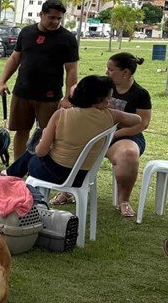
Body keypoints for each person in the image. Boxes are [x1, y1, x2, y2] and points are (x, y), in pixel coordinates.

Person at [6, 75, 141, 206]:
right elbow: (137, 119)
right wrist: (111, 111)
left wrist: (41, 142)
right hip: (83, 176)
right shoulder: (110, 116)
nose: (109, 102)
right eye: (108, 99)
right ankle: (9, 174)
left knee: (32, 152)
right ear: (99, 100)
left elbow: (41, 152)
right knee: (33, 154)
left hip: (55, 173)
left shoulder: (61, 114)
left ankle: (9, 176)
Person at [54, 53, 152, 216]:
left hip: (125, 136)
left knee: (128, 154)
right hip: (96, 133)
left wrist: (115, 134)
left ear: (125, 73)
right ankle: (68, 191)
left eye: (111, 69)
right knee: (74, 146)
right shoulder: (101, 87)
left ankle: (124, 201)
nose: (107, 73)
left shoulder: (140, 94)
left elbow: (142, 123)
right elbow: (78, 95)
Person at [0, 0, 79, 161]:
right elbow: (15, 59)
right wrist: (2, 81)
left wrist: (67, 98)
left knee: (47, 134)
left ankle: (40, 169)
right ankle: (18, 168)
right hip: (22, 92)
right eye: (52, 17)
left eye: (59, 18)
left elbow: (71, 70)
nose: (55, 22)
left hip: (49, 96)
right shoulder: (26, 32)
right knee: (21, 131)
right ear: (41, 15)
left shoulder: (67, 38)